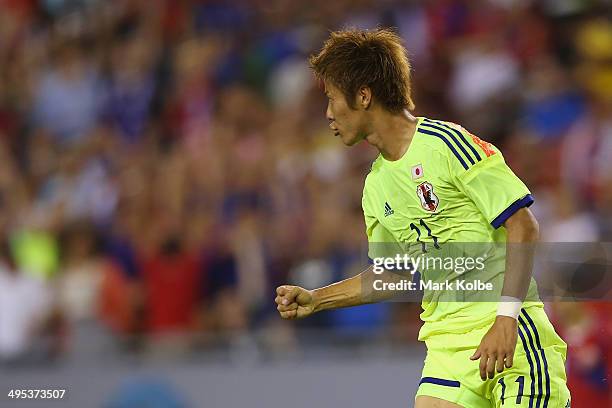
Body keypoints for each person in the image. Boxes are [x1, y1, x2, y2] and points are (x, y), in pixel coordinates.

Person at [274, 28, 570, 408]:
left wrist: (506, 319)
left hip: (510, 333)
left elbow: (523, 224)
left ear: (363, 95)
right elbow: (395, 274)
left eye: (331, 98)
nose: (328, 113)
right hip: (447, 347)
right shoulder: (375, 187)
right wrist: (318, 298)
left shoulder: (448, 145)